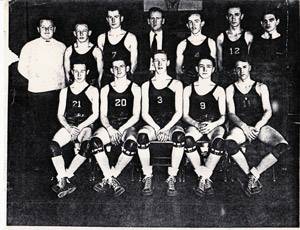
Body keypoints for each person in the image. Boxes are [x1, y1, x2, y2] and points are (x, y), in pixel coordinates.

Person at [225, 58, 290, 197]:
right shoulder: (230, 88)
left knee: (283, 146)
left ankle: (254, 174)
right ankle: (250, 174)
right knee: (229, 144)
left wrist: (257, 126)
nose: (241, 70)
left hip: (259, 125)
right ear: (235, 70)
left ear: (250, 67)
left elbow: (268, 110)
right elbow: (231, 113)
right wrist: (244, 126)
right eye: (238, 68)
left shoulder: (261, 86)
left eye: (244, 67)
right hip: (241, 126)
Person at [18, 18, 66, 170]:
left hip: (57, 93)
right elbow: (22, 68)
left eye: (50, 27)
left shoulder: (61, 46)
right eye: (43, 27)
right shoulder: (29, 46)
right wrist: (37, 78)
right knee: (39, 129)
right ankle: (40, 164)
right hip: (37, 93)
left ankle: (56, 163)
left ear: (54, 29)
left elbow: (65, 69)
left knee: (57, 128)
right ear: (38, 29)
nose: (46, 30)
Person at [90, 57, 141, 197]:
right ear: (111, 70)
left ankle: (109, 177)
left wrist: (120, 130)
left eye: (121, 66)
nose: (118, 70)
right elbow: (103, 115)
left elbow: (136, 115)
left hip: (127, 125)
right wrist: (111, 129)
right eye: (115, 67)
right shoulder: (106, 89)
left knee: (131, 144)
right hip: (110, 125)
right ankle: (111, 178)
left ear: (128, 68)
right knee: (95, 142)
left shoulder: (135, 88)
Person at [137, 50, 185, 197]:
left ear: (168, 63)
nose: (159, 63)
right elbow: (144, 112)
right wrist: (158, 129)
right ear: (152, 63)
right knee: (142, 137)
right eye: (156, 60)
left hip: (171, 124)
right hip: (153, 125)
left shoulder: (176, 84)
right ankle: (148, 175)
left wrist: (165, 129)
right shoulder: (145, 85)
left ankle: (172, 176)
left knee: (179, 137)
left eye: (163, 60)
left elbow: (178, 112)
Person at [50, 63, 99, 198]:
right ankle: (63, 178)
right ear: (71, 72)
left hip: (85, 125)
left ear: (87, 72)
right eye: (76, 71)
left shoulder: (93, 90)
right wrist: (68, 127)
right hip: (70, 125)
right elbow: (60, 114)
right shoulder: (65, 91)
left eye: (82, 71)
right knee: (54, 145)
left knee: (86, 145)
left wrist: (81, 126)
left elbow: (95, 114)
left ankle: (67, 176)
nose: (79, 74)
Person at [183, 56, 226, 196]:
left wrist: (212, 124)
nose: (205, 69)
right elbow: (185, 115)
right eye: (201, 66)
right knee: (188, 140)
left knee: (219, 141)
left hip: (213, 124)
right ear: (196, 69)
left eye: (208, 66)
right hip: (195, 124)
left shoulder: (219, 90)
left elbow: (223, 116)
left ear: (213, 69)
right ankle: (205, 177)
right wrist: (196, 123)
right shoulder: (188, 89)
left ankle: (202, 177)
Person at [98, 8, 138, 87]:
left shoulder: (130, 37)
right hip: (107, 79)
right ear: (107, 19)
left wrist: (126, 80)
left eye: (116, 17)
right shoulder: (101, 38)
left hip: (124, 79)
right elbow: (100, 64)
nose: (113, 20)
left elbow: (134, 63)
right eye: (110, 17)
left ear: (121, 18)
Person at [176, 11, 216, 87]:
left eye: (196, 21)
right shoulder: (182, 44)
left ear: (202, 23)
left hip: (205, 82)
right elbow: (178, 70)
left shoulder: (211, 42)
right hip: (188, 82)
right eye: (190, 22)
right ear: (187, 25)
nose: (193, 25)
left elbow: (214, 67)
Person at [216, 5, 253, 87]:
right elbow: (219, 63)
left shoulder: (248, 36)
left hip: (243, 76)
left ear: (242, 16)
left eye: (236, 14)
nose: (233, 18)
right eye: (230, 15)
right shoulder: (221, 37)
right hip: (227, 77)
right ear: (227, 17)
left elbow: (250, 59)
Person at [138, 7, 176, 82]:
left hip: (165, 77)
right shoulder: (140, 39)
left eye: (158, 18)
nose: (154, 21)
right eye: (152, 18)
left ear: (163, 21)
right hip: (145, 77)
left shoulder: (172, 40)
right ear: (148, 21)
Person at [64, 22, 104, 87]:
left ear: (89, 33)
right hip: (75, 88)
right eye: (78, 31)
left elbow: (100, 74)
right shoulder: (69, 50)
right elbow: (67, 74)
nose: (81, 34)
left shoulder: (96, 51)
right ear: (74, 33)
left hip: (91, 88)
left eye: (84, 31)